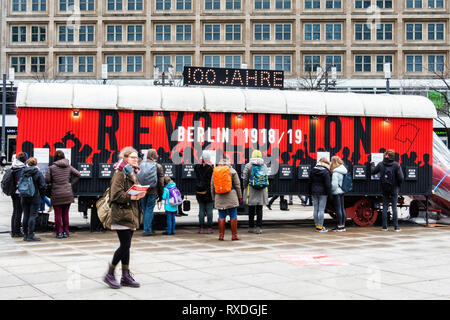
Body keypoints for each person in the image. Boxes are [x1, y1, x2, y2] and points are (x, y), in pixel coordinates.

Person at [104, 147, 143, 289]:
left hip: (130, 213)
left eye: (136, 157)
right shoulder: (120, 174)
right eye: (132, 157)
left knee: (127, 246)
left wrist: (140, 192)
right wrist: (132, 196)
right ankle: (110, 273)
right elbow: (115, 195)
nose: (135, 159)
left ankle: (125, 275)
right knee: (125, 245)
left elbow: (133, 189)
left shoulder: (132, 173)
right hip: (121, 214)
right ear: (125, 158)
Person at [45, 150, 80, 239]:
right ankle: (66, 232)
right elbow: (78, 174)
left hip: (56, 193)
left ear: (55, 157)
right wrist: (70, 184)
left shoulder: (51, 168)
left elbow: (47, 180)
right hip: (67, 193)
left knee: (58, 214)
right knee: (65, 214)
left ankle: (59, 232)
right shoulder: (68, 166)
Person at [371, 150, 404, 232]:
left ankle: (384, 227)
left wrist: (372, 164)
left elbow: (373, 171)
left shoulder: (381, 164)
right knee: (394, 207)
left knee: (385, 207)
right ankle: (396, 227)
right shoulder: (396, 165)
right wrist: (398, 185)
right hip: (394, 189)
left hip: (384, 188)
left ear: (386, 155)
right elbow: (401, 178)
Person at [211, 155, 243, 241]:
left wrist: (213, 197)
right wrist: (240, 197)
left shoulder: (215, 171)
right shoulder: (232, 171)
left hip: (219, 196)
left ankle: (221, 235)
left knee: (221, 215)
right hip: (231, 197)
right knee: (233, 215)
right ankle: (234, 235)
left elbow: (212, 186)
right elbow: (237, 185)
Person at [137, 149, 164, 236]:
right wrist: (161, 194)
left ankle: (146, 228)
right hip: (153, 191)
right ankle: (147, 230)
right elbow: (161, 182)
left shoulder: (141, 164)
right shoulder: (157, 166)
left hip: (142, 190)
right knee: (149, 210)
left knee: (145, 210)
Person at [20, 157, 46, 242]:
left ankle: (25, 235)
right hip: (34, 196)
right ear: (36, 164)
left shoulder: (23, 172)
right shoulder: (37, 172)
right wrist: (42, 196)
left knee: (26, 215)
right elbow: (42, 186)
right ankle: (31, 235)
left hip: (24, 195)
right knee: (32, 215)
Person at [242, 150, 268, 234]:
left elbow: (245, 178)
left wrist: (245, 186)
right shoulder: (264, 165)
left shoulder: (248, 165)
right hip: (261, 189)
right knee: (260, 209)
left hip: (251, 189)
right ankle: (259, 227)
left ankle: (251, 227)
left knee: (251, 209)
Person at [309, 157, 332, 233]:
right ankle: (320, 227)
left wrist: (309, 192)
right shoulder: (326, 172)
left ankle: (317, 225)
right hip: (323, 193)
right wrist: (329, 194)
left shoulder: (313, 170)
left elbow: (310, 182)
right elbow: (328, 184)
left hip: (314, 192)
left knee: (316, 209)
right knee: (321, 210)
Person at [194, 153, 214, 234]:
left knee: (201, 210)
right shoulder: (210, 168)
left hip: (199, 191)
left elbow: (196, 167)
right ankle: (209, 228)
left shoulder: (197, 167)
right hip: (208, 191)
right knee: (209, 210)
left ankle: (201, 228)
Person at [10, 152, 28, 237]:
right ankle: (17, 232)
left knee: (15, 211)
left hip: (12, 191)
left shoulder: (13, 166)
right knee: (19, 211)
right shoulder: (22, 168)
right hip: (18, 192)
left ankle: (13, 231)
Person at [330, 156, 348, 232]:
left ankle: (339, 226)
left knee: (338, 209)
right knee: (342, 208)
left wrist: (331, 190)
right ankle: (343, 225)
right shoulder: (343, 170)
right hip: (342, 191)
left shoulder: (335, 172)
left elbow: (334, 185)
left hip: (336, 192)